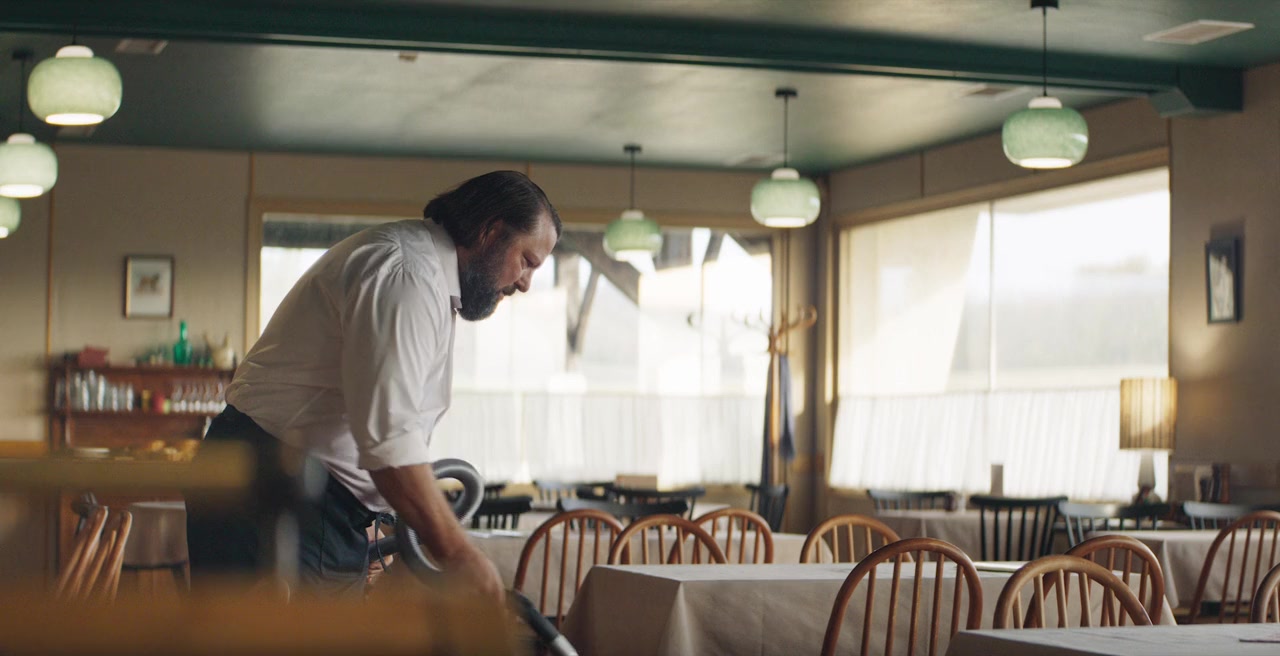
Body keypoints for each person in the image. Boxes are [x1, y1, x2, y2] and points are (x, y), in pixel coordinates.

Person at [186, 170, 560, 600]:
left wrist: (370, 512)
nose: (525, 283)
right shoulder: (407, 275)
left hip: (308, 496)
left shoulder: (427, 276)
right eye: (527, 261)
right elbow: (390, 442)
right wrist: (459, 554)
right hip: (275, 493)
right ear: (490, 231)